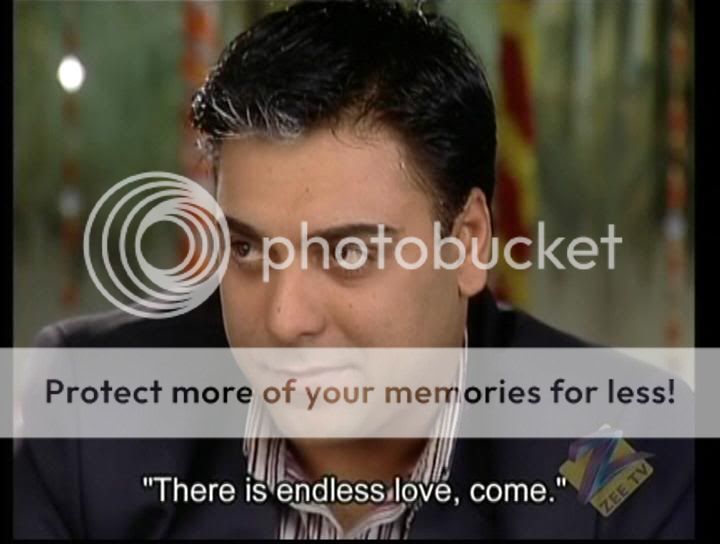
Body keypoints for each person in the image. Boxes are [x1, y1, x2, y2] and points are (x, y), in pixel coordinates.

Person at [14, 1, 693, 538]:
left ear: (467, 244)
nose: (285, 318)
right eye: (246, 249)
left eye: (347, 252)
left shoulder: (618, 446)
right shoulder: (93, 417)